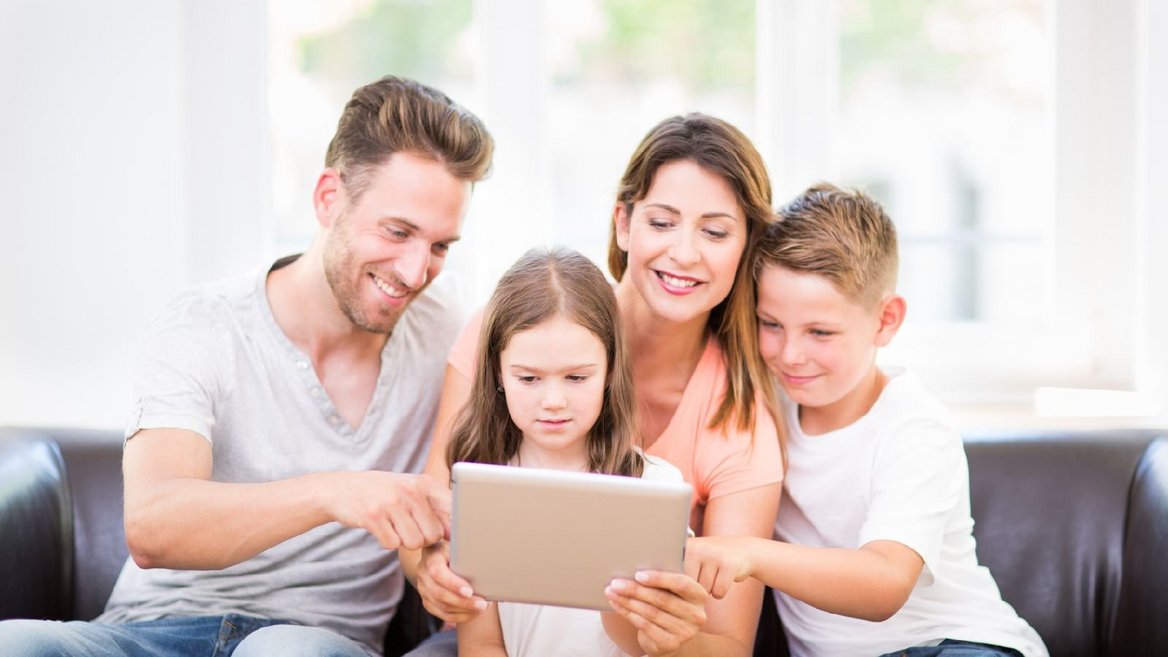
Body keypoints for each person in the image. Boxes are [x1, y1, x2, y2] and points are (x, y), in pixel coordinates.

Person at [0, 75, 493, 657]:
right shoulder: (205, 326)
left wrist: (433, 568)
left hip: (311, 643)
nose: (414, 272)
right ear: (329, 198)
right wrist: (334, 493)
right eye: (397, 231)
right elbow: (154, 527)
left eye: (440, 246)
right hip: (146, 634)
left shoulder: (449, 328)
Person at [404, 113, 784, 657]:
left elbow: (727, 645)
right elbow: (431, 518)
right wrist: (430, 568)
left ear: (746, 247)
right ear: (623, 223)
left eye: (716, 231)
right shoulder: (519, 324)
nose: (684, 252)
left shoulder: (737, 423)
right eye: (662, 222)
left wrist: (659, 632)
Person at [684, 183, 1049, 657]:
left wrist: (748, 552)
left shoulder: (914, 428)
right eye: (770, 324)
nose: (790, 354)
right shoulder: (763, 400)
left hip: (954, 644)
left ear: (886, 320)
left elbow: (884, 583)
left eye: (820, 332)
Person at [448, 246, 705, 657]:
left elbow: (653, 645)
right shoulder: (483, 486)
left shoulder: (654, 487)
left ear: (609, 370)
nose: (553, 400)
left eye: (576, 377)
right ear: (498, 372)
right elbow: (480, 643)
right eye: (529, 378)